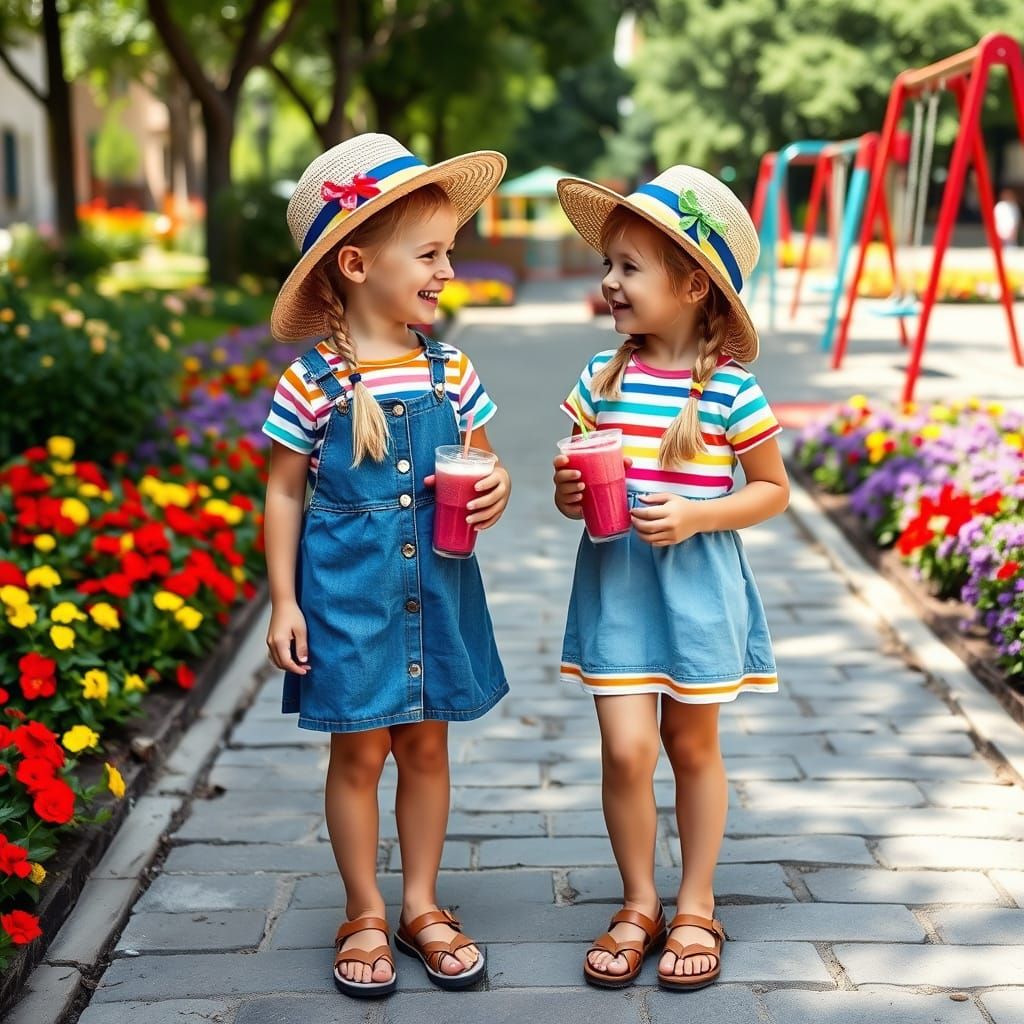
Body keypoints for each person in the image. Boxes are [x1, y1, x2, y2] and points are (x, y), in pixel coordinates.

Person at [262, 134, 510, 998]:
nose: (448, 270)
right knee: (359, 755)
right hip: (350, 599)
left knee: (428, 747)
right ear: (358, 263)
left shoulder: (452, 370)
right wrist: (284, 601)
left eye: (450, 252)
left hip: (436, 589)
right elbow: (283, 493)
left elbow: (484, 459)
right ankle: (363, 909)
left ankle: (421, 904)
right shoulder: (312, 382)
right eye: (430, 254)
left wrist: (495, 485)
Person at [552, 166, 789, 991]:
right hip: (617, 583)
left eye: (630, 267)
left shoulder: (730, 390)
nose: (610, 282)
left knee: (691, 745)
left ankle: (696, 901)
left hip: (697, 588)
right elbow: (568, 487)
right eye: (608, 264)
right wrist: (568, 492)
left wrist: (697, 514)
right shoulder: (600, 377)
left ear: (693, 286)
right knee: (626, 750)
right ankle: (638, 901)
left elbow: (772, 490)